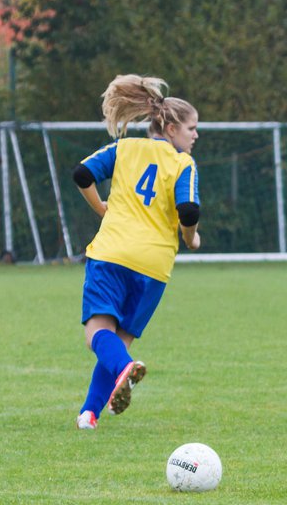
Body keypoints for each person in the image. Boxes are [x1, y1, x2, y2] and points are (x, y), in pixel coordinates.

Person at [72, 75, 201, 430]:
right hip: (154, 267)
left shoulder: (124, 148)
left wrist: (101, 207)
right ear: (172, 128)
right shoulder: (182, 165)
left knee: (98, 335)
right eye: (192, 128)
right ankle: (89, 414)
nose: (195, 135)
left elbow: (82, 172)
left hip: (111, 254)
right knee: (119, 343)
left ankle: (122, 372)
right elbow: (188, 210)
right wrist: (190, 239)